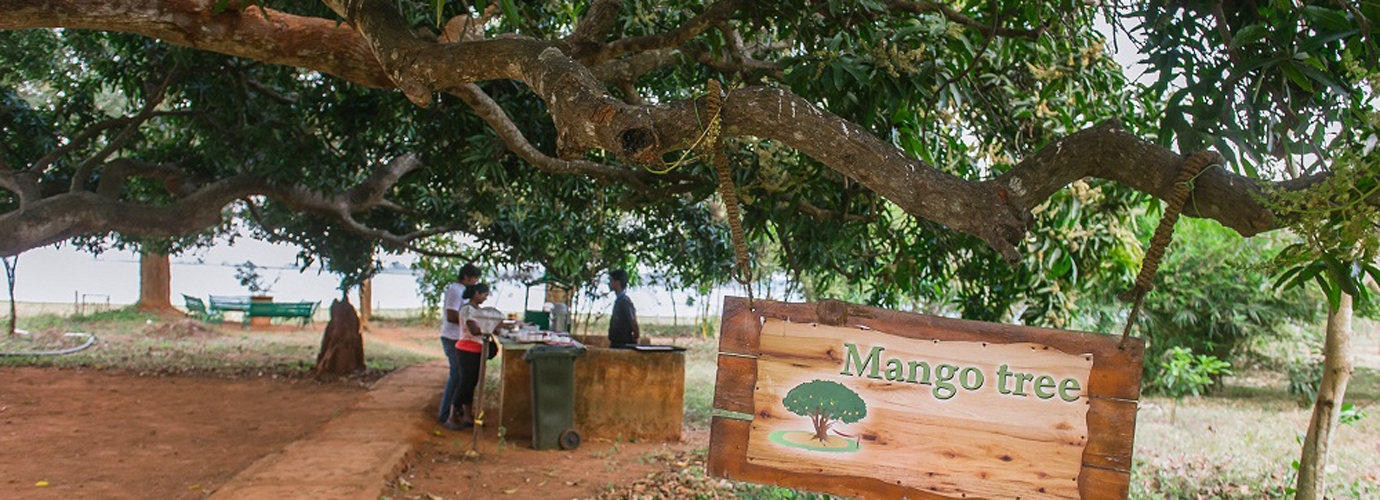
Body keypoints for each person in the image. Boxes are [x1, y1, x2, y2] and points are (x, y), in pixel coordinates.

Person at [445, 283, 505, 430]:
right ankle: (452, 415)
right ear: (476, 293)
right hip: (467, 349)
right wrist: (490, 327)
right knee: (465, 383)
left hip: (477, 349)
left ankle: (467, 415)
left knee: (472, 383)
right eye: (484, 295)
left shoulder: (477, 310)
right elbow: (474, 329)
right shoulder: (467, 310)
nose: (485, 298)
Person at [438, 264, 481, 424]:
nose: (476, 282)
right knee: (457, 376)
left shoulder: (463, 292)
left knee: (465, 377)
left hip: (461, 337)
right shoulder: (455, 290)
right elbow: (451, 315)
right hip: (452, 337)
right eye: (474, 278)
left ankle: (460, 412)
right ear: (466, 277)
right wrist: (471, 323)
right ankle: (445, 413)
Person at [607, 269, 641, 348]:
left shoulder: (625, 301)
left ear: (617, 283)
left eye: (611, 281)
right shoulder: (619, 300)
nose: (609, 283)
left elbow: (633, 321)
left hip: (623, 344)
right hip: (616, 343)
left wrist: (636, 337)